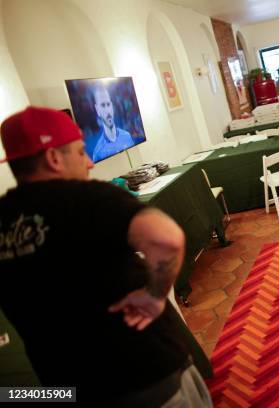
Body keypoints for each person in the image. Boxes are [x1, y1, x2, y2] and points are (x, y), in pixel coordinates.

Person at [0, 107, 212, 406]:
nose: (88, 162)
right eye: (79, 152)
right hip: (145, 376)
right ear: (54, 158)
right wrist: (154, 295)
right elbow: (166, 237)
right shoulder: (87, 198)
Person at [91, 86, 135, 162]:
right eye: (103, 105)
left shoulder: (127, 136)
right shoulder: (98, 152)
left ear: (112, 106)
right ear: (98, 110)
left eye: (108, 104)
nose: (107, 111)